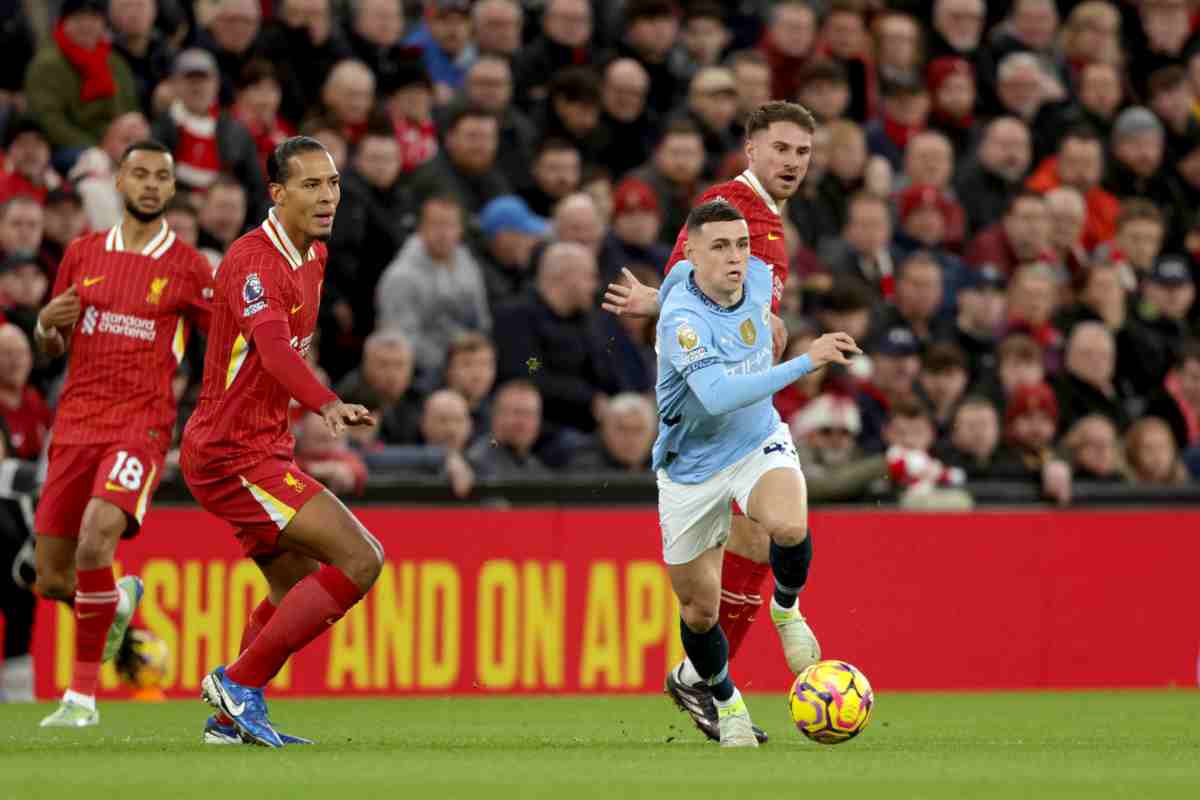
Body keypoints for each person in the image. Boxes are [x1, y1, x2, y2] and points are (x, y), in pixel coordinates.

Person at [603, 101, 815, 743]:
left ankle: (703, 680)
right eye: (780, 149)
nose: (792, 163)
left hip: (743, 416)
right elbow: (686, 273)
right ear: (752, 149)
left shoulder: (770, 220)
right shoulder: (732, 204)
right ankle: (704, 676)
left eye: (803, 152)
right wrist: (661, 297)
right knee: (708, 592)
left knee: (759, 541)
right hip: (702, 413)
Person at [181, 137, 382, 748]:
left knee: (294, 587)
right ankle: (237, 683)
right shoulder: (253, 261)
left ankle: (228, 719)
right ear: (278, 193)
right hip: (230, 453)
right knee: (362, 558)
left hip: (262, 447)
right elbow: (270, 350)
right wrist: (324, 402)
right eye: (311, 185)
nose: (327, 197)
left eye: (333, 184)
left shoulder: (312, 256)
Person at [651, 199, 859, 746]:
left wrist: (775, 325)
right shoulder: (681, 320)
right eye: (719, 246)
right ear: (690, 254)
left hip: (755, 440)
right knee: (700, 611)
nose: (736, 257)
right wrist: (805, 361)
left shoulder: (760, 276)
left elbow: (756, 316)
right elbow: (717, 396)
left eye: (742, 244)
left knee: (788, 528)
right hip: (689, 469)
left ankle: (787, 611)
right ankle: (725, 700)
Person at [32, 140, 214, 728]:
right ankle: (120, 604)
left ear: (171, 189)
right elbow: (53, 341)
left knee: (94, 544)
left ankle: (80, 700)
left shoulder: (188, 267)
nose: (153, 185)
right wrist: (42, 327)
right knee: (53, 577)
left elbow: (227, 341)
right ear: (119, 181)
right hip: (75, 423)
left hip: (140, 424)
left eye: (163, 177)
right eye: (141, 174)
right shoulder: (82, 253)